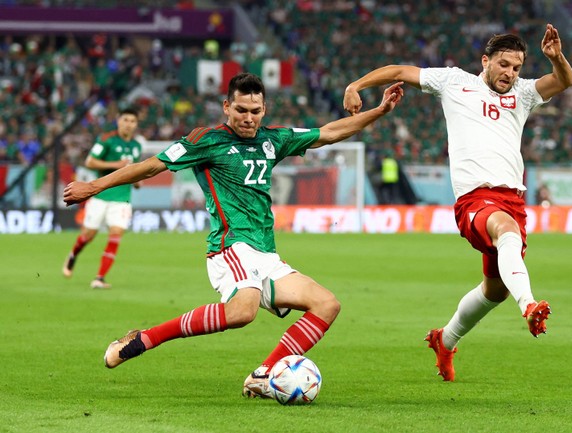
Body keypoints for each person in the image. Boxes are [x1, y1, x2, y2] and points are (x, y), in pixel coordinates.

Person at [63, 73, 403, 398]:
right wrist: (93, 186)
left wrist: (379, 111)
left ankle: (262, 375)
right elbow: (153, 165)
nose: (248, 118)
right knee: (243, 312)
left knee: (327, 304)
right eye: (241, 110)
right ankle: (144, 339)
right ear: (227, 107)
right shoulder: (206, 140)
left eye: (255, 111)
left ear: (264, 110)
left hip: (266, 255)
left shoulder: (274, 139)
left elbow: (329, 132)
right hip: (230, 247)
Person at [343, 24, 572, 381]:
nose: (510, 73)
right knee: (506, 231)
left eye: (516, 67)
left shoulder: (524, 93)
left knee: (494, 289)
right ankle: (529, 305)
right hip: (475, 200)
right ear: (485, 61)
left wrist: (556, 57)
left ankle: (445, 340)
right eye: (503, 64)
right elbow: (398, 71)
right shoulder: (454, 82)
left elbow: (564, 82)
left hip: (512, 199)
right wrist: (356, 85)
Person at [62, 107, 142, 289]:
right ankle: (73, 255)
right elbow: (90, 161)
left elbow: (133, 172)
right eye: (125, 120)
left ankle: (99, 278)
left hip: (122, 199)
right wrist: (118, 165)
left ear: (136, 125)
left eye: (132, 121)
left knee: (116, 234)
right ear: (118, 121)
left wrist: (137, 180)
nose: (128, 124)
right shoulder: (106, 140)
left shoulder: (136, 146)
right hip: (100, 195)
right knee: (88, 235)